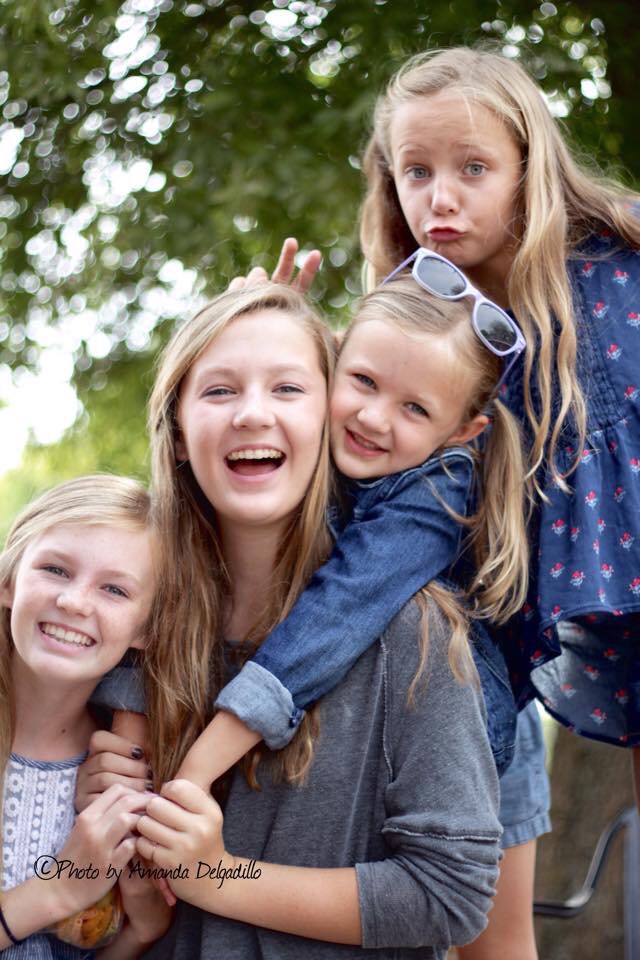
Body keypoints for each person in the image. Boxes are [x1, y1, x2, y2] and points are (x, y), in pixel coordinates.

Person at [85, 282, 505, 957]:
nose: (253, 413)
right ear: (180, 435)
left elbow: (451, 895)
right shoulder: (126, 626)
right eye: (219, 391)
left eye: (287, 389)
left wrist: (217, 878)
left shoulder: (413, 632)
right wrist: (110, 838)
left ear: (325, 418)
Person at [355, 43, 640, 958]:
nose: (441, 196)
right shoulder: (424, 325)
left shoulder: (618, 258)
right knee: (474, 915)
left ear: (529, 169)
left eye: (473, 168)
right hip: (502, 631)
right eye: (417, 171)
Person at [0, 475, 171, 957]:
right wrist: (56, 890)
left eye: (115, 590)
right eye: (55, 570)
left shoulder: (119, 780)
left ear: (147, 630)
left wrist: (140, 932)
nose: (73, 602)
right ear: (9, 582)